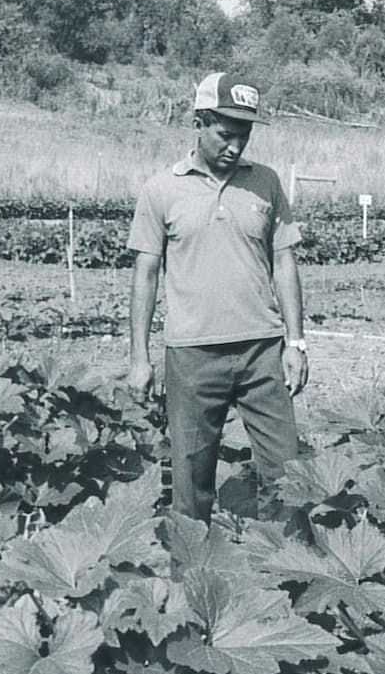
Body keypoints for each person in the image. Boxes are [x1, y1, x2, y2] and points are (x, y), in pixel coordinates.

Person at [126, 72, 307, 524]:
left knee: (287, 473)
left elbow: (284, 263)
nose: (235, 146)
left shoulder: (265, 183)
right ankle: (191, 581)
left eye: (243, 136)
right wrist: (139, 358)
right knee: (191, 479)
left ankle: (279, 576)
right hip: (192, 355)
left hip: (262, 350)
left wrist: (296, 343)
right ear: (198, 123)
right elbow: (145, 273)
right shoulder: (160, 189)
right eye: (226, 134)